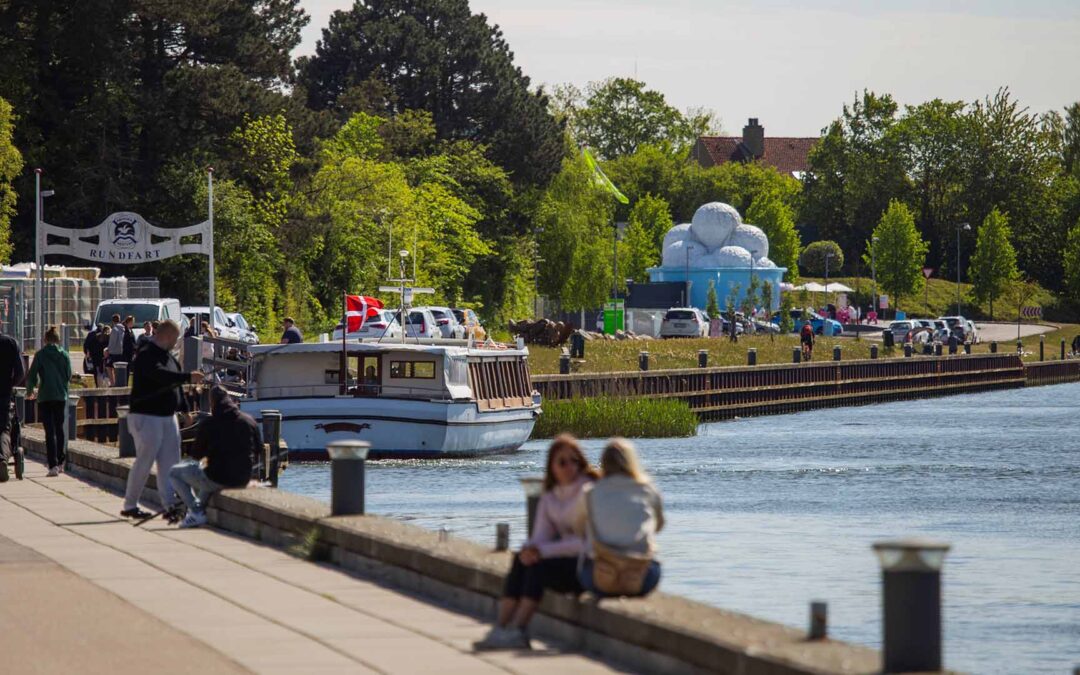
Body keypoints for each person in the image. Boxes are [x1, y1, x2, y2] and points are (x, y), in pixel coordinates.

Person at [474, 435, 599, 651]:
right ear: (552, 466)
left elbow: (584, 543)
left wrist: (541, 551)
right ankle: (501, 628)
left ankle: (518, 630)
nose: (569, 467)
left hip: (588, 566)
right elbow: (540, 536)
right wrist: (529, 549)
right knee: (522, 561)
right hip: (564, 561)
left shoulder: (589, 491)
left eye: (574, 461)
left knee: (537, 568)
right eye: (562, 462)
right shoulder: (550, 497)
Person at [121, 320, 204, 519]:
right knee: (145, 460)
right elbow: (159, 376)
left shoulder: (170, 358)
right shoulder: (146, 354)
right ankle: (130, 505)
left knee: (171, 464)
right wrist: (187, 377)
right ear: (166, 336)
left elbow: (174, 384)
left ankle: (170, 506)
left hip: (167, 417)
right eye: (175, 339)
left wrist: (185, 410)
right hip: (147, 416)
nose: (176, 344)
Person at [573, 438, 663, 598]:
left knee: (582, 562)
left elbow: (578, 528)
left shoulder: (590, 492)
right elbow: (658, 526)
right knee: (655, 565)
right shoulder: (648, 489)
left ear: (604, 462)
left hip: (602, 577)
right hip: (641, 578)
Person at [169, 385, 258, 528]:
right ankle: (195, 511)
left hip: (218, 477)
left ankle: (196, 511)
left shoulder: (209, 424)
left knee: (174, 473)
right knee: (209, 476)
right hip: (243, 477)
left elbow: (196, 455)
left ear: (212, 404)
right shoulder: (249, 421)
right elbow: (258, 449)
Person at [26, 327, 72, 476]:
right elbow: (68, 375)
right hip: (60, 396)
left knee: (49, 431)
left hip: (45, 396)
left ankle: (52, 465)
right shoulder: (64, 355)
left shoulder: (40, 355)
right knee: (59, 429)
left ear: (45, 340)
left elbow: (32, 375)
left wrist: (30, 390)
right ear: (58, 340)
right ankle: (60, 462)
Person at [0, 328, 24, 481]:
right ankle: (2, 458)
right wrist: (11, 385)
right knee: (4, 428)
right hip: (4, 394)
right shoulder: (10, 343)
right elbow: (20, 372)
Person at [107, 313, 125, 384]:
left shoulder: (114, 329)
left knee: (109, 367)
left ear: (113, 321)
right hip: (121, 351)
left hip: (114, 352)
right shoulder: (123, 328)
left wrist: (108, 349)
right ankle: (118, 382)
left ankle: (113, 382)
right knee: (118, 368)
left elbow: (112, 342)